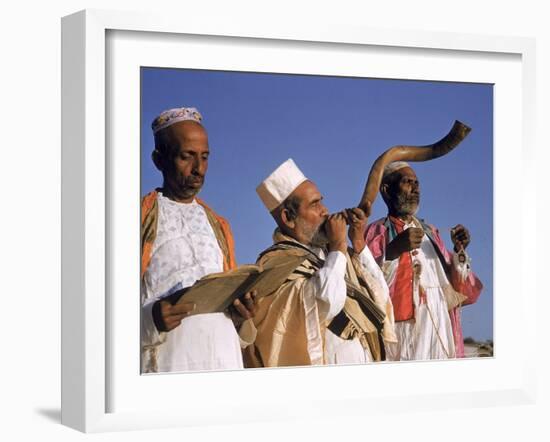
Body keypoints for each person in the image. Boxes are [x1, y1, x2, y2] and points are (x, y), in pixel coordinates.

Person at [244, 159, 396, 368]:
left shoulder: (334, 256)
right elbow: (325, 303)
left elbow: (381, 297)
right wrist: (338, 246)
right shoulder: (274, 265)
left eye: (321, 201)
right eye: (314, 204)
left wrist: (358, 242)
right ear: (288, 218)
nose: (325, 210)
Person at [141, 107, 256, 373]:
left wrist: (240, 315)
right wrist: (150, 319)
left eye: (204, 158)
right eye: (187, 157)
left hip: (224, 360)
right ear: (159, 160)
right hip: (171, 362)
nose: (198, 169)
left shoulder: (219, 225)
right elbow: (103, 308)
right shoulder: (138, 217)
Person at [365, 161, 483, 360]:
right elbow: (366, 283)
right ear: (386, 190)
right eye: (407, 182)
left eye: (417, 183)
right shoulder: (376, 232)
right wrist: (393, 251)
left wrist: (458, 250)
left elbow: (457, 288)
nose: (415, 188)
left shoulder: (431, 233)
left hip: (439, 323)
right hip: (404, 329)